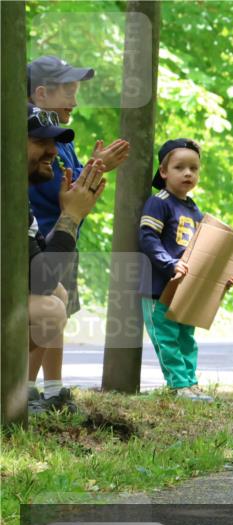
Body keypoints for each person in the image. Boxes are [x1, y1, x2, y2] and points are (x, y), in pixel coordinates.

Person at [26, 56, 130, 409]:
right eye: (67, 89)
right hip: (43, 239)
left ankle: (52, 388)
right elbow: (58, 188)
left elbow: (72, 185)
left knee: (60, 306)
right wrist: (96, 168)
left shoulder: (59, 137)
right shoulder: (31, 134)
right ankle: (23, 389)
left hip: (61, 238)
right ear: (41, 93)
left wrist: (92, 168)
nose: (75, 98)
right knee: (45, 308)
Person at [138, 139, 233, 402]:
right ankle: (178, 385)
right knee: (166, 336)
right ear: (164, 172)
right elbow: (148, 237)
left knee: (185, 337)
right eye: (180, 167)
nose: (188, 173)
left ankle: (190, 383)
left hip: (185, 289)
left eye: (194, 168)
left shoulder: (193, 209)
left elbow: (204, 250)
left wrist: (220, 276)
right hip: (158, 285)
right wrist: (169, 263)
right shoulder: (159, 202)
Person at [26, 106, 106, 413]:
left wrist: (67, 214)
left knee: (57, 295)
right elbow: (40, 281)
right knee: (48, 308)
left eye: (54, 143)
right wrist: (71, 215)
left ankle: (20, 389)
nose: (52, 151)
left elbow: (41, 272)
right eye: (40, 142)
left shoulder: (18, 199)